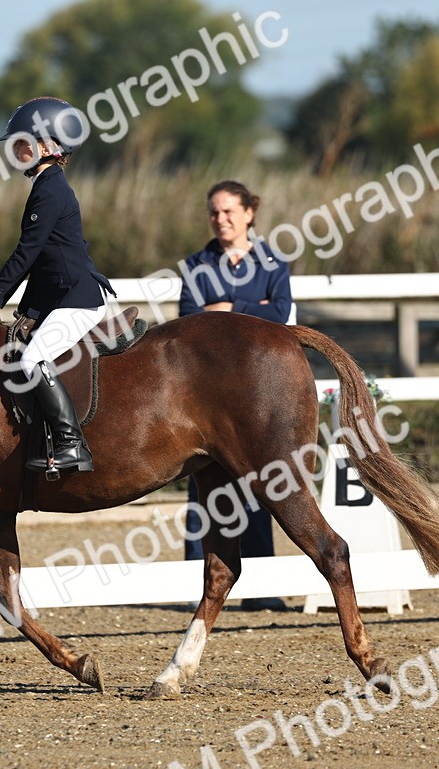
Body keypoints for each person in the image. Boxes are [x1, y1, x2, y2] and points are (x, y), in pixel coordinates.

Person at [0, 97, 116, 475]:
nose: (15, 152)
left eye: (21, 143)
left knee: (33, 360)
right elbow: (47, 263)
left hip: (78, 300)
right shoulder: (47, 185)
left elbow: (26, 255)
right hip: (61, 295)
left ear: (48, 146)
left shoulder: (49, 189)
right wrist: (27, 312)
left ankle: (70, 444)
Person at [178, 180, 292, 611]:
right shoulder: (196, 265)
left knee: (260, 482)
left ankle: (262, 586)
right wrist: (252, 306)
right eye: (214, 212)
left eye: (228, 211)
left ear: (249, 212)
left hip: (254, 391)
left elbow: (279, 314)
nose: (220, 219)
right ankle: (196, 583)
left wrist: (227, 309)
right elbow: (188, 317)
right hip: (204, 392)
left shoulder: (274, 262)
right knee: (203, 485)